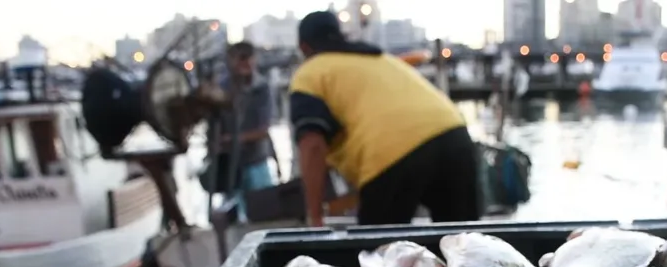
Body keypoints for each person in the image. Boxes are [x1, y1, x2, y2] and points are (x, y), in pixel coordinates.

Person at [289, 10, 481, 227]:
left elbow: (312, 144)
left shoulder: (309, 74)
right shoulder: (382, 59)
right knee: (464, 244)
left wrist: (315, 217)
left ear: (304, 47)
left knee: (378, 255)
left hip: (391, 155)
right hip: (454, 136)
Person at [204, 41, 277, 220]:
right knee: (231, 215)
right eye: (240, 58)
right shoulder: (221, 88)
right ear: (230, 61)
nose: (244, 63)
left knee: (264, 213)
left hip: (256, 161)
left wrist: (231, 139)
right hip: (229, 166)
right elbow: (211, 126)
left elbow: (263, 129)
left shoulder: (262, 88)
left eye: (248, 58)